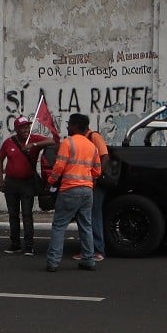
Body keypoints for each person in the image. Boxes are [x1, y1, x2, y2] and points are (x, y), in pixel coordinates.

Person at [45, 114, 101, 272]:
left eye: (69, 124)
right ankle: (89, 260)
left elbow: (59, 167)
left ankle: (53, 262)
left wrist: (50, 182)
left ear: (76, 126)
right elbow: (97, 171)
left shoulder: (68, 143)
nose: (67, 127)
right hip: (87, 190)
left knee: (59, 226)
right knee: (86, 226)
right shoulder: (92, 146)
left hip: (69, 189)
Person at [0, 116, 54, 256]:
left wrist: (34, 145)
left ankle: (29, 246)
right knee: (13, 215)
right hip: (11, 183)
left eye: (27, 127)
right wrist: (0, 179)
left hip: (27, 183)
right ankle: (15, 244)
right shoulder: (9, 142)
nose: (26, 130)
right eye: (22, 128)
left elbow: (53, 140)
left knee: (27, 215)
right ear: (16, 129)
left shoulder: (34, 139)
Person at [75, 125, 109, 263]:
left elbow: (105, 156)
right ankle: (89, 249)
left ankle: (97, 250)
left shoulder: (94, 136)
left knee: (94, 216)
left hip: (95, 184)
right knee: (87, 217)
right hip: (86, 183)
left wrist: (97, 177)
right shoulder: (82, 139)